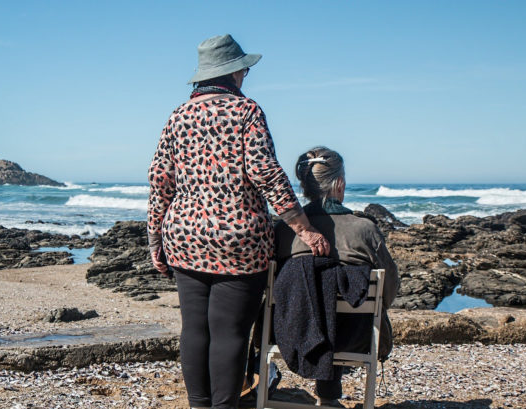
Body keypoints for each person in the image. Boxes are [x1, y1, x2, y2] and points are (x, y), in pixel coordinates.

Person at [147, 34, 330, 409]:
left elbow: (159, 181)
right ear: (233, 72)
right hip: (239, 240)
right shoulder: (247, 111)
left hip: (184, 236)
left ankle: (199, 405)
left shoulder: (178, 116)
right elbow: (266, 172)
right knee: (230, 332)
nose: (246, 74)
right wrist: (304, 228)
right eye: (244, 68)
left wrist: (155, 242)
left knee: (194, 329)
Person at [274, 146, 399, 407]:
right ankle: (329, 398)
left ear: (305, 186)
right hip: (355, 336)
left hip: (289, 333)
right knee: (343, 310)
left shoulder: (284, 231)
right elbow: (389, 288)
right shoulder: (364, 229)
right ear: (339, 183)